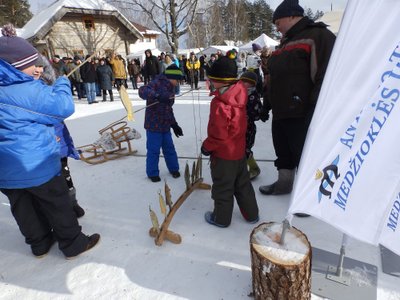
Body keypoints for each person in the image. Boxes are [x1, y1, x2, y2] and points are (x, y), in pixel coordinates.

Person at [0, 24, 100, 259]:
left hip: (5, 170)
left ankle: (40, 244)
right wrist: (63, 84)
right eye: (31, 64)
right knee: (57, 203)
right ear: (14, 66)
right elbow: (63, 107)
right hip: (36, 164)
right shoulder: (26, 90)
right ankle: (73, 243)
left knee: (23, 208)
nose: (37, 69)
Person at [259, 0, 336, 200]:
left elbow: (326, 76)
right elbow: (274, 78)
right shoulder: (284, 43)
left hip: (302, 112)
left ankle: (309, 196)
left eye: (278, 21)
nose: (276, 26)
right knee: (283, 152)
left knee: (305, 155)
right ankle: (284, 184)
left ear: (293, 15)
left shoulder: (318, 35)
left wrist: (315, 108)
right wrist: (266, 105)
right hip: (281, 111)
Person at [201, 56, 259, 228]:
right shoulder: (238, 97)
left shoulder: (220, 104)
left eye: (211, 79)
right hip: (238, 153)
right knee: (243, 185)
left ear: (219, 80)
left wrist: (207, 146)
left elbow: (219, 134)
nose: (209, 81)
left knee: (223, 187)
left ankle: (221, 218)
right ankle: (252, 214)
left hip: (223, 156)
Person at [33, 55, 86, 218]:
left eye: (41, 67)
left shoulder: (49, 86)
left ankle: (72, 203)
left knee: (65, 173)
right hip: (39, 143)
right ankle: (54, 210)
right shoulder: (26, 90)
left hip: (58, 137)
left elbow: (62, 109)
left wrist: (60, 87)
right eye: (34, 66)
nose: (37, 70)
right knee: (47, 180)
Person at [138, 64, 184, 182]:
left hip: (165, 124)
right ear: (171, 77)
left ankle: (174, 169)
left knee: (169, 148)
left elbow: (168, 108)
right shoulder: (157, 82)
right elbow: (142, 91)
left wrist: (174, 124)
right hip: (153, 125)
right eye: (177, 80)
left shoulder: (170, 88)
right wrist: (157, 96)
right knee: (154, 150)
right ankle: (152, 173)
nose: (177, 83)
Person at [239, 71, 263, 180]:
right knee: (239, 148)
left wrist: (248, 115)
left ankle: (254, 168)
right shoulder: (239, 93)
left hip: (248, 128)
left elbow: (257, 114)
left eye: (246, 82)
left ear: (252, 84)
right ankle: (240, 168)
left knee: (245, 148)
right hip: (238, 126)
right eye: (242, 81)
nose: (243, 83)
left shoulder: (254, 96)